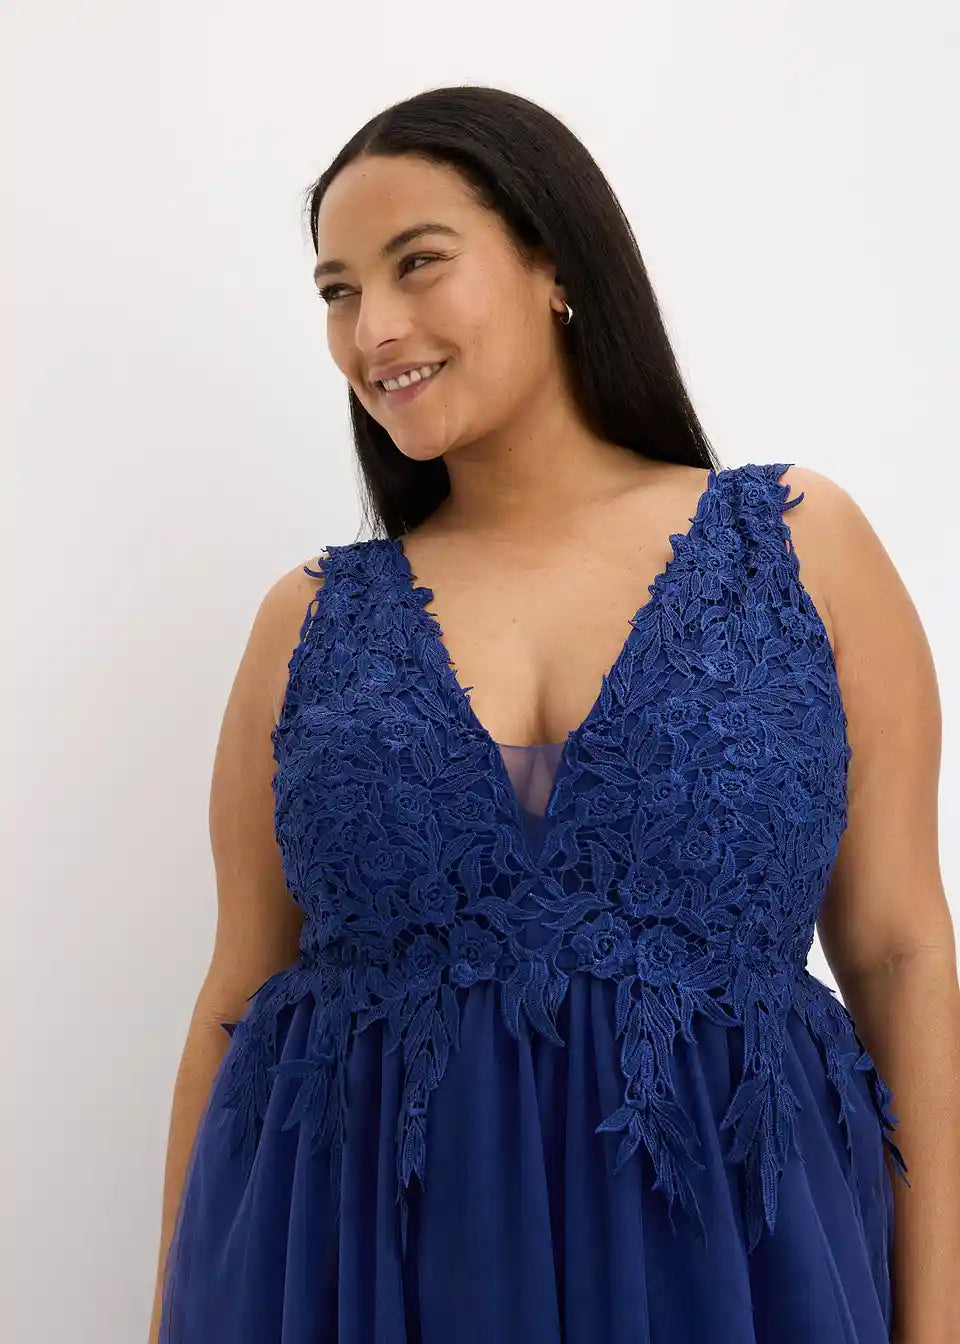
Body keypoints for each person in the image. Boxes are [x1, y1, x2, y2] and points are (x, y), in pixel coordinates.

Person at [150, 85, 960, 1343]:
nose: (373, 328)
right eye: (338, 292)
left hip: (742, 1278)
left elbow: (902, 957)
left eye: (418, 262)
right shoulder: (308, 621)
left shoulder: (799, 547)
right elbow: (235, 1000)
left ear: (558, 267)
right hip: (365, 1279)